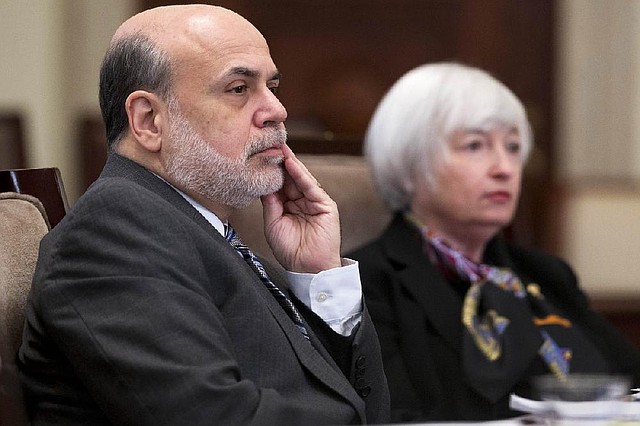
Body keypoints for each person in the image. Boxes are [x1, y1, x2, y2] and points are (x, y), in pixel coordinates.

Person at [16, 5, 389, 425]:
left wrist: (318, 275)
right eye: (238, 88)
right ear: (149, 120)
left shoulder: (201, 230)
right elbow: (213, 417)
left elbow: (362, 406)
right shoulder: (114, 232)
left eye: (272, 86)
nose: (276, 110)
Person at [347, 62, 640, 421]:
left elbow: (626, 381)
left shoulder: (545, 274)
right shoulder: (364, 284)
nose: (504, 167)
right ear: (409, 165)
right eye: (475, 146)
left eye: (514, 147)